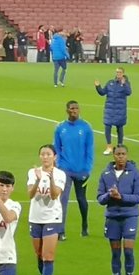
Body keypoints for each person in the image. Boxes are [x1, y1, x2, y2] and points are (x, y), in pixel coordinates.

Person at [97, 145, 139, 275]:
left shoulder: (135, 173)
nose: (121, 157)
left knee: (129, 252)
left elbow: (138, 197)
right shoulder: (105, 174)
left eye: (123, 154)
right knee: (116, 253)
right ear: (113, 156)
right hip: (112, 217)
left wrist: (121, 197)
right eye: (118, 154)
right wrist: (109, 195)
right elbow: (99, 198)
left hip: (130, 216)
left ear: (127, 155)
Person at [28, 144, 66, 275]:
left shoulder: (60, 174)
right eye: (42, 154)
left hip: (52, 217)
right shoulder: (32, 172)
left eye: (48, 154)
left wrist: (50, 179)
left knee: (48, 255)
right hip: (35, 217)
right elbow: (30, 194)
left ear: (54, 157)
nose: (45, 157)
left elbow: (55, 194)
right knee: (38, 254)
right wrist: (37, 180)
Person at [54, 100, 94, 238]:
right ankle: (61, 231)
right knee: (63, 200)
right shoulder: (60, 128)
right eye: (72, 108)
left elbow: (90, 150)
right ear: (67, 110)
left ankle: (84, 224)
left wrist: (87, 169)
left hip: (81, 169)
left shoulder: (86, 127)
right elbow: (57, 148)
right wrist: (59, 165)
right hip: (65, 169)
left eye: (77, 108)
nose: (75, 111)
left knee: (81, 199)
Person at [94, 67, 132, 156]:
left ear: (123, 73)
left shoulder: (126, 83)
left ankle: (119, 145)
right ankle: (109, 146)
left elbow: (129, 92)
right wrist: (98, 86)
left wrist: (124, 84)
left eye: (120, 72)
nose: (118, 74)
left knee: (119, 128)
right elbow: (103, 93)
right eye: (117, 72)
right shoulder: (110, 83)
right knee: (107, 127)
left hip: (120, 110)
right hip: (109, 109)